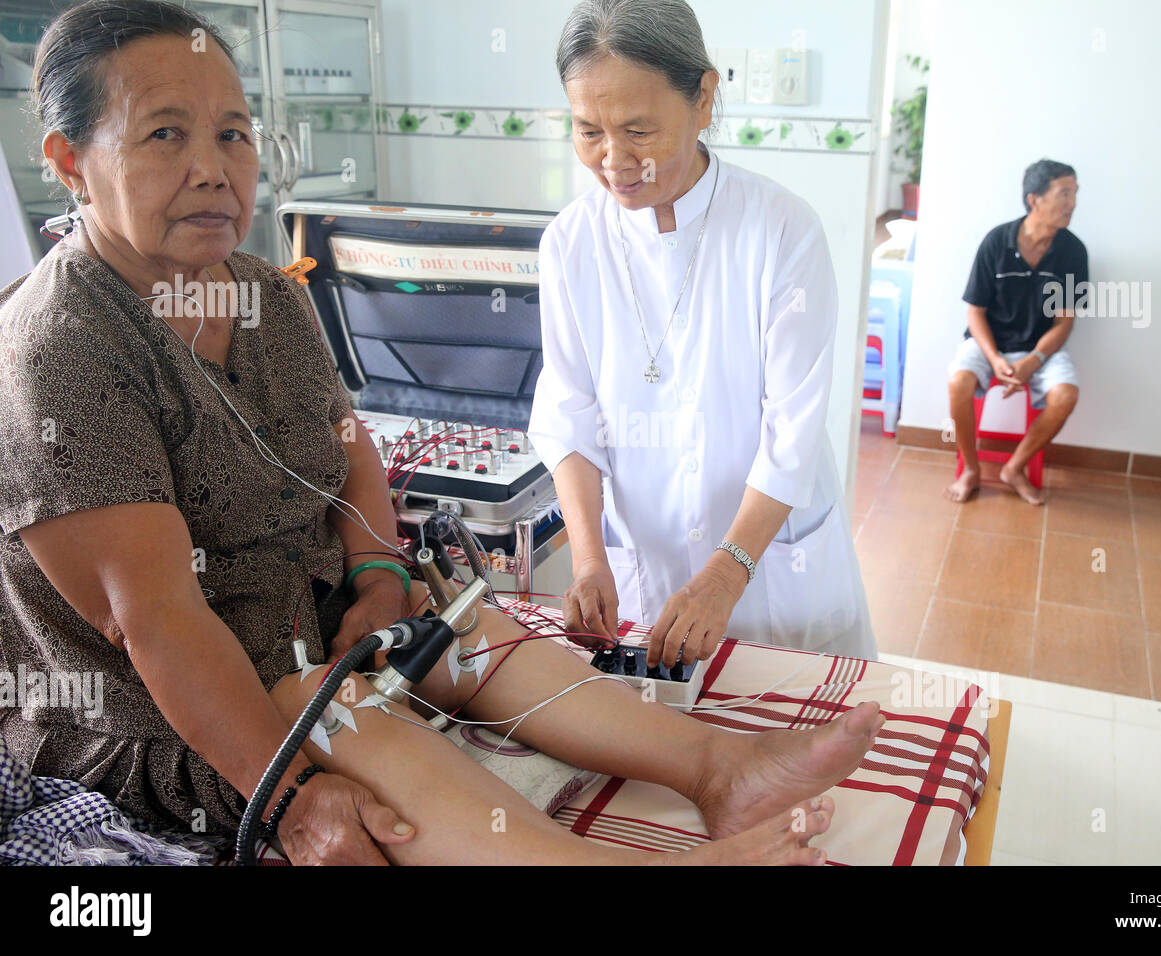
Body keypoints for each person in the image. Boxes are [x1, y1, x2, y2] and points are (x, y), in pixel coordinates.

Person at [0, 0, 886, 866]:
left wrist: (382, 578)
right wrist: (289, 798)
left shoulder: (264, 294)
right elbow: (157, 624)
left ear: (704, 99)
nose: (213, 167)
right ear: (70, 162)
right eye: (165, 135)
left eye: (234, 133)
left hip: (323, 624)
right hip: (189, 696)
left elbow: (349, 457)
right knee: (337, 705)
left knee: (463, 630)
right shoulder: (63, 349)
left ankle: (720, 766)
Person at [528, 0, 875, 670]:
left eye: (637, 129)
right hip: (646, 568)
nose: (614, 160)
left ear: (704, 98)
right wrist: (590, 558)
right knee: (666, 755)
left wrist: (727, 571)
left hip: (773, 571)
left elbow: (792, 431)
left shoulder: (780, 229)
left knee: (797, 743)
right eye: (588, 130)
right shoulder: (570, 243)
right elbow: (569, 413)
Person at [944, 159, 1086, 506]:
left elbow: (1064, 322)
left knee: (1066, 395)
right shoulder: (996, 241)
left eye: (1075, 193)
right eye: (1064, 193)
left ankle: (1014, 468)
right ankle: (971, 470)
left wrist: (1034, 361)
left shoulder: (1073, 251)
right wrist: (994, 360)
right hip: (987, 343)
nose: (1073, 203)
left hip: (1040, 349)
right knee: (958, 383)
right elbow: (975, 312)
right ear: (1034, 199)